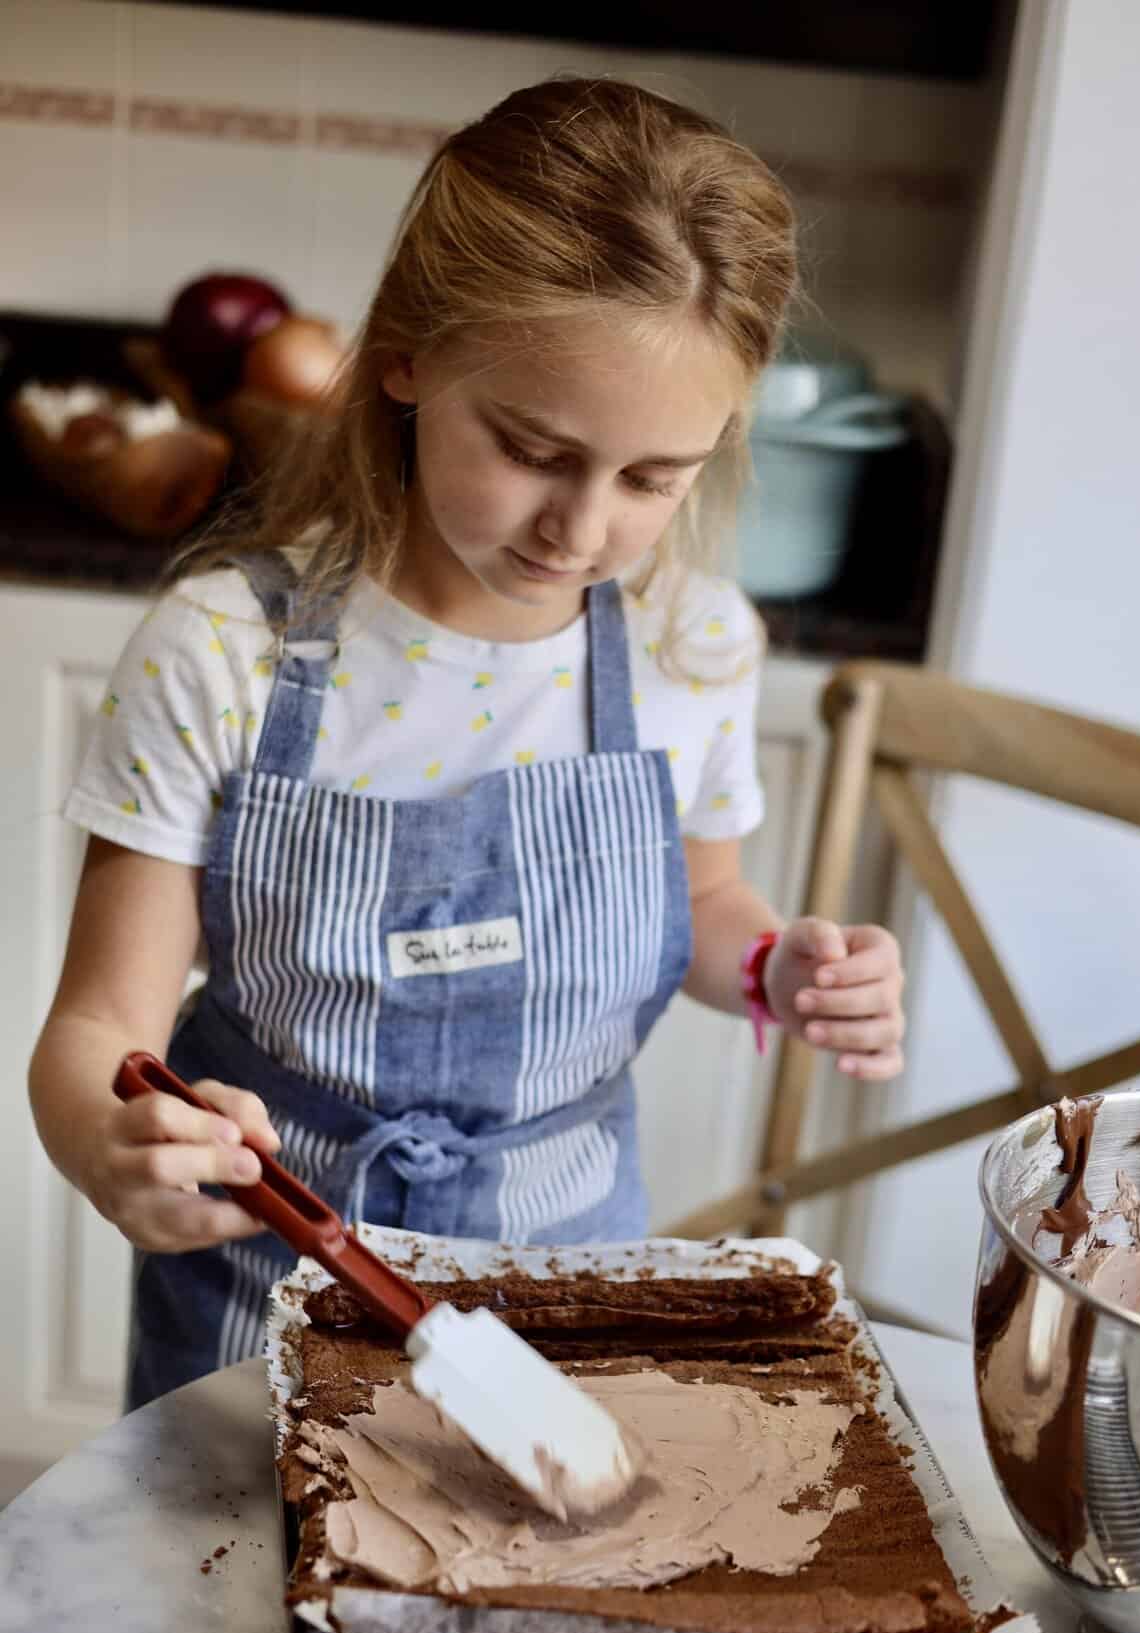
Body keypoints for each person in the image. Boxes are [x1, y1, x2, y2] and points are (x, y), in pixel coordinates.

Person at [29, 77, 904, 1408]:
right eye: (531, 447)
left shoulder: (695, 648)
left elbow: (708, 899)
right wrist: (113, 1145)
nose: (581, 528)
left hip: (562, 1304)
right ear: (411, 355)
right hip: (261, 1311)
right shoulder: (224, 653)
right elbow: (101, 1021)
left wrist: (786, 968)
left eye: (652, 478)